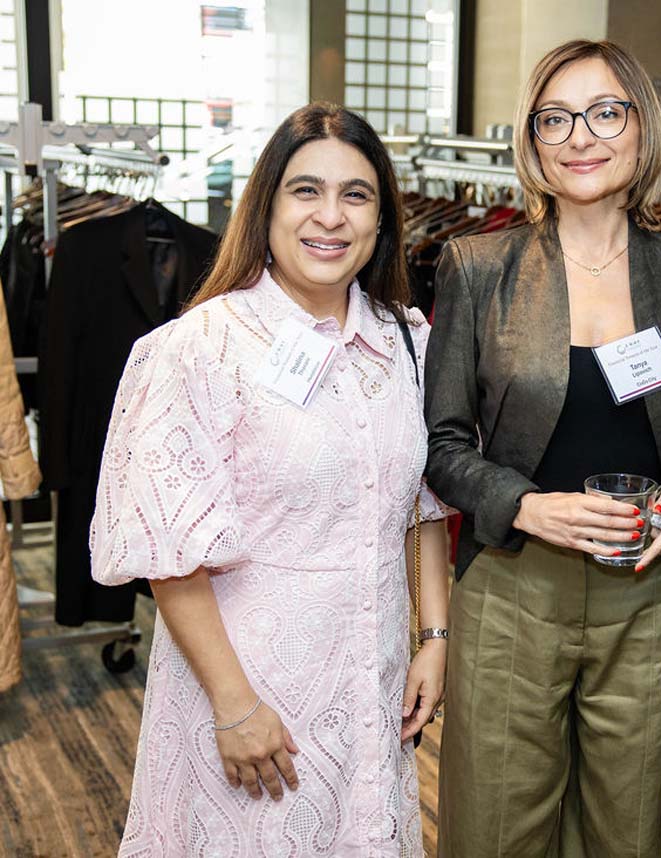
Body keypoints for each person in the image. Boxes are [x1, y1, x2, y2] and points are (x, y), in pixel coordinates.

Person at [90, 102, 452, 857]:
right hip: (250, 696)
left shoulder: (406, 342)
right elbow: (170, 552)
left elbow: (419, 506)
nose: (331, 217)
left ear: (383, 220)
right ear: (266, 206)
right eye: (305, 191)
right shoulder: (198, 351)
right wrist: (232, 703)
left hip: (367, 688)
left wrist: (434, 637)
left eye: (356, 195)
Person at [424, 39, 661, 858]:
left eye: (603, 112)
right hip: (514, 591)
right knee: (496, 829)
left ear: (640, 128)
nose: (579, 136)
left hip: (649, 590)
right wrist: (526, 504)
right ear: (532, 140)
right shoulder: (477, 266)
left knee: (635, 830)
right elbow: (441, 445)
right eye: (554, 118)